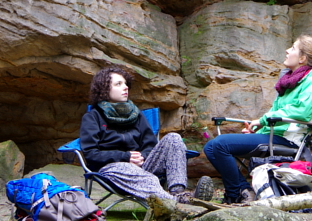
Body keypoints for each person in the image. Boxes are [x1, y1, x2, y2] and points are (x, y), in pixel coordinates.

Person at [203, 35, 312, 204]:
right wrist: (256, 130)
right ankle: (242, 190)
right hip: (274, 134)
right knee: (211, 147)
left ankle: (236, 194)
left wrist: (263, 121)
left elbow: (302, 112)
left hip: (289, 140)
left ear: (303, 58)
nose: (287, 51)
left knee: (220, 145)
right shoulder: (291, 82)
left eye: (293, 48)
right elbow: (276, 115)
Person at [79, 66, 214, 203]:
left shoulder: (136, 115)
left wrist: (141, 157)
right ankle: (179, 201)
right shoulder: (93, 117)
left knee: (173, 138)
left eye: (125, 84)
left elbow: (150, 145)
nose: (125, 87)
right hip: (113, 167)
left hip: (143, 165)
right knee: (139, 174)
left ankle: (178, 191)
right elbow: (91, 154)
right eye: (118, 84)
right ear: (104, 89)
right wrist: (126, 157)